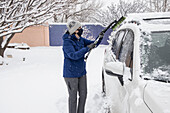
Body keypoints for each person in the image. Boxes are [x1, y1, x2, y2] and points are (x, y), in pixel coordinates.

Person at [62, 20, 103, 113]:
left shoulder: (80, 39)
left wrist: (99, 38)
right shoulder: (67, 42)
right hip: (71, 73)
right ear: (75, 30)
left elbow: (93, 44)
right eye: (79, 28)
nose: (81, 29)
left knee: (83, 94)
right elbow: (73, 55)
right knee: (73, 97)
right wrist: (87, 48)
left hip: (81, 72)